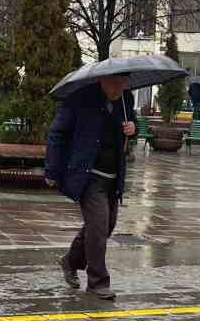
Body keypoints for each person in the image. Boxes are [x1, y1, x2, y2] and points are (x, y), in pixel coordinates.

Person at [46, 74, 134, 301]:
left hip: (113, 175)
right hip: (87, 175)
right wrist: (52, 170)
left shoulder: (126, 100)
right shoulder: (80, 99)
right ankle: (98, 282)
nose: (119, 88)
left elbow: (133, 124)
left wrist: (133, 128)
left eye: (123, 84)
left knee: (107, 224)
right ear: (103, 80)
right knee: (98, 225)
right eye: (115, 83)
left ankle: (71, 261)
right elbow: (57, 133)